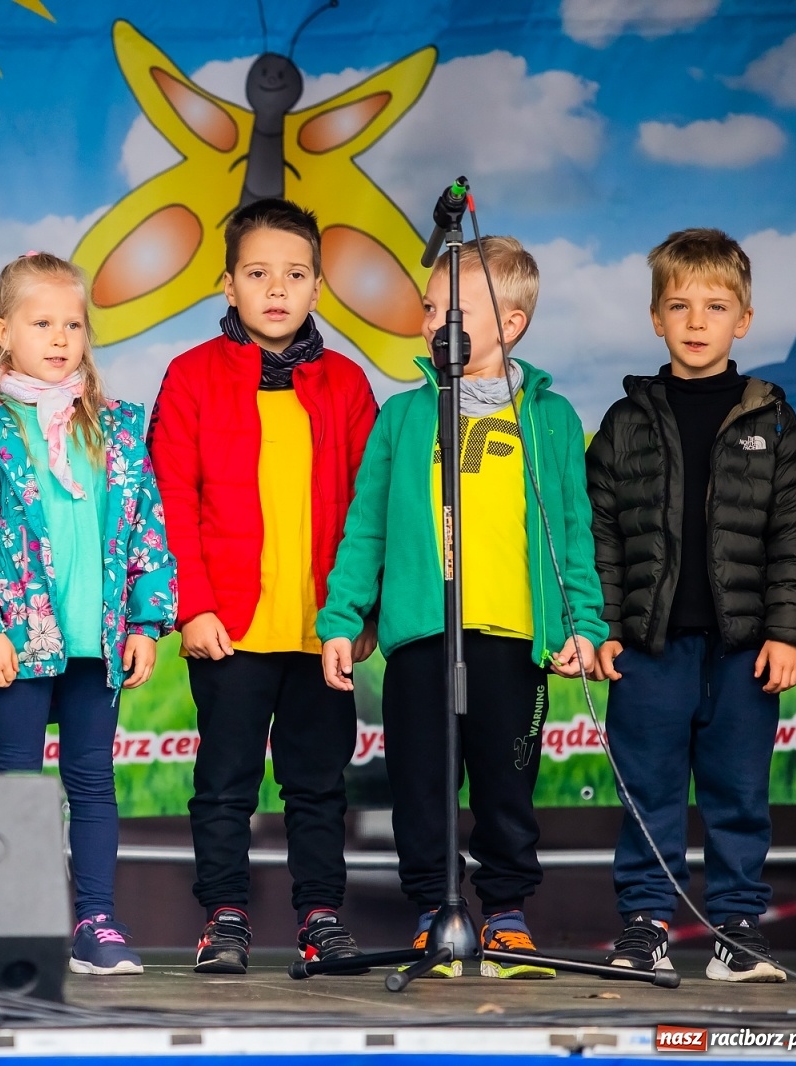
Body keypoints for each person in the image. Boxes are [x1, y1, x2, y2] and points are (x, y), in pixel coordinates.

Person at [318, 236, 605, 978]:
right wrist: (343, 619)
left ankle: (506, 914)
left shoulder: (552, 418)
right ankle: (433, 916)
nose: (431, 322)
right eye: (426, 308)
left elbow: (573, 531)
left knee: (506, 784)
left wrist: (583, 624)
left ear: (510, 325)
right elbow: (367, 527)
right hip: (422, 638)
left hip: (512, 640)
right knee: (421, 786)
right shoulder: (405, 417)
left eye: (454, 310)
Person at [149, 198, 378, 974]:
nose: (276, 289)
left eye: (295, 274)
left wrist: (356, 611)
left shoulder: (346, 384)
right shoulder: (191, 377)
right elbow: (170, 499)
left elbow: (366, 506)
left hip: (322, 633)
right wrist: (195, 607)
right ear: (227, 285)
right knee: (225, 784)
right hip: (229, 628)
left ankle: (321, 916)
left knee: (317, 784)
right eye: (257, 274)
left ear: (318, 288)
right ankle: (226, 918)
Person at [588, 228, 796, 983]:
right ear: (656, 318)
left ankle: (738, 929)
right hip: (650, 650)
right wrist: (608, 629)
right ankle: (645, 925)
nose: (696, 322)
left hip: (744, 650)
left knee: (738, 793)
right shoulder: (626, 424)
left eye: (715, 307)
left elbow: (795, 536)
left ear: (743, 320)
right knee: (647, 791)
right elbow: (603, 533)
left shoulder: (779, 426)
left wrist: (789, 633)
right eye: (679, 306)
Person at [0, 252, 176, 975]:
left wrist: (143, 621)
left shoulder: (118, 427)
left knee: (91, 779)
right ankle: (10, 921)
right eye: (42, 322)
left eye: (73, 323)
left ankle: (96, 923)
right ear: (4, 331)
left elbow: (146, 529)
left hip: (95, 642)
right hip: (18, 639)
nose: (60, 337)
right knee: (14, 775)